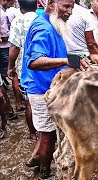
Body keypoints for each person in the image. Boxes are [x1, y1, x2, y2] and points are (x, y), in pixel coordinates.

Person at [20, 0, 89, 178]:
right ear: (51, 4)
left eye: (72, 7)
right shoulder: (43, 28)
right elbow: (34, 61)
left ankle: (36, 157)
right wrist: (66, 61)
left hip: (49, 86)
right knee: (49, 135)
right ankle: (44, 172)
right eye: (66, 6)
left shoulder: (50, 22)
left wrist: (73, 58)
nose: (70, 12)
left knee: (45, 132)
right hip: (42, 89)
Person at [8, 0, 38, 140]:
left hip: (25, 68)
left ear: (20, 7)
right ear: (37, 5)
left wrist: (10, 66)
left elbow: (14, 47)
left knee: (29, 103)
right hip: (44, 66)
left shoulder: (17, 21)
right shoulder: (43, 19)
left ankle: (33, 134)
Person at [65, 0, 98, 70]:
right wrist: (97, 55)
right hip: (83, 60)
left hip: (63, 58)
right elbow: (91, 43)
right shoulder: (84, 13)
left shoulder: (56, 12)